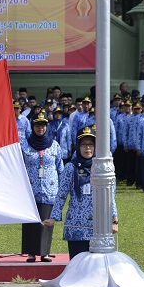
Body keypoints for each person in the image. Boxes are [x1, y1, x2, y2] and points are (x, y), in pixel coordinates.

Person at [42, 126, 118, 259]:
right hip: (75, 226)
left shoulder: (103, 168)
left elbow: (110, 196)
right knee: (77, 266)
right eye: (83, 145)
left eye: (90, 144)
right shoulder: (70, 168)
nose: (87, 148)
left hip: (98, 227)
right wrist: (53, 217)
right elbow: (61, 194)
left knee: (96, 266)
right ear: (78, 146)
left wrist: (114, 220)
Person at [20, 112, 64, 262]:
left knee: (46, 221)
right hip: (30, 189)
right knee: (31, 221)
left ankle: (44, 252)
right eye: (38, 125)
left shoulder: (54, 145)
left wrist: (62, 187)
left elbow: (60, 167)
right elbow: (20, 166)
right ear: (33, 127)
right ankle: (31, 252)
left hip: (50, 190)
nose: (41, 128)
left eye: (43, 125)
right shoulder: (25, 145)